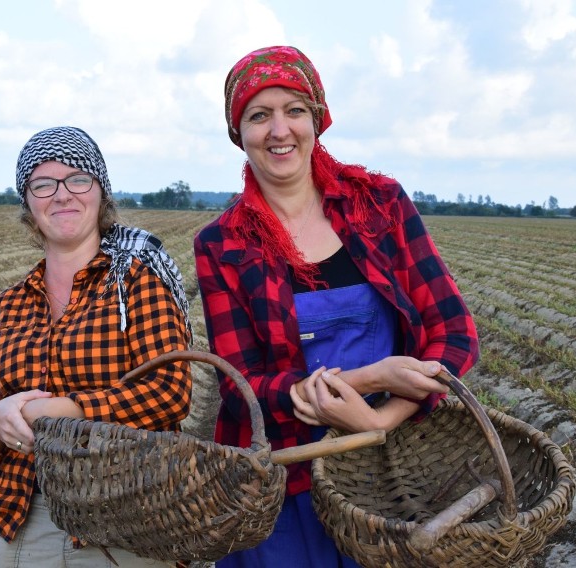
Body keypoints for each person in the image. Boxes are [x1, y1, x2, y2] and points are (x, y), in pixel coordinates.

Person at [193, 46, 479, 567]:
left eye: (294, 110)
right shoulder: (223, 243)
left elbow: (454, 333)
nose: (279, 130)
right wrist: (367, 381)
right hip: (280, 484)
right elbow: (243, 389)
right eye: (259, 116)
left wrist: (381, 421)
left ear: (317, 119)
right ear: (240, 133)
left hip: (389, 479)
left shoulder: (381, 204)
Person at [0, 126, 192, 568]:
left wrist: (57, 413)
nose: (62, 194)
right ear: (28, 203)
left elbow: (169, 393)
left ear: (100, 193)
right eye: (43, 184)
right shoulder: (4, 307)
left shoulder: (137, 284)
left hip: (127, 515)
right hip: (22, 516)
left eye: (77, 179)